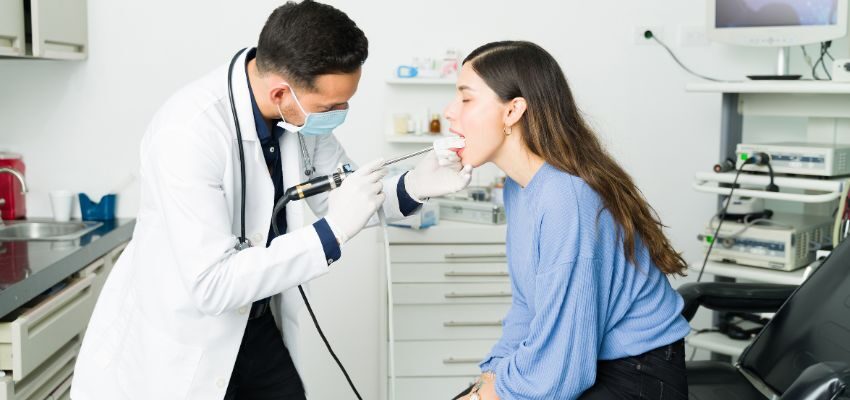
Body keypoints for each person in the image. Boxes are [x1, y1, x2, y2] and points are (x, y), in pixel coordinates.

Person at [70, 2, 471, 399]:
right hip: (187, 341)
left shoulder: (298, 114)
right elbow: (213, 285)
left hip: (256, 323)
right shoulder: (188, 133)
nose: (339, 115)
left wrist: (416, 185)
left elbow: (349, 197)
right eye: (330, 107)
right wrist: (330, 233)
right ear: (281, 91)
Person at [445, 41, 691, 400]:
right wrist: (490, 375)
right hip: (583, 360)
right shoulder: (519, 187)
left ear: (513, 111)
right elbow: (528, 308)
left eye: (466, 99)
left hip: (637, 375)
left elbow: (562, 368)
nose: (450, 112)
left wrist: (489, 395)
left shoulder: (565, 199)